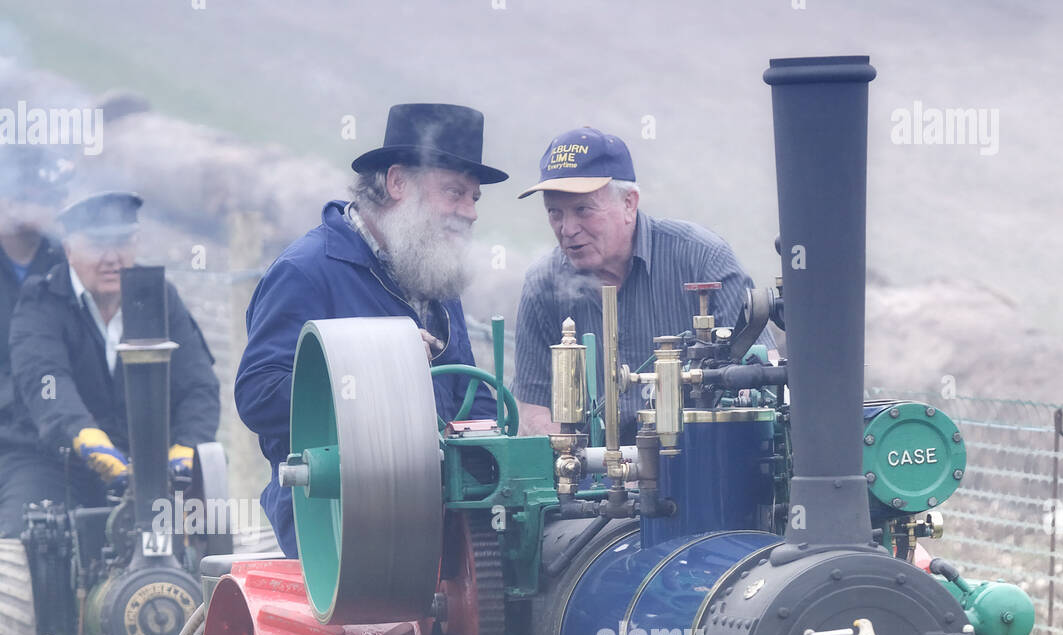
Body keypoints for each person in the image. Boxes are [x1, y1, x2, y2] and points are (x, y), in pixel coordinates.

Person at [235, 103, 508, 556]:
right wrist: (374, 363)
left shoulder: (433, 272)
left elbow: (469, 398)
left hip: (438, 512)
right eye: (455, 193)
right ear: (398, 182)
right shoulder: (306, 271)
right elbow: (259, 396)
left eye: (474, 198)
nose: (470, 212)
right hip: (335, 521)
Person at [513, 128, 760, 442]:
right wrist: (583, 468)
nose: (568, 229)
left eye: (582, 210)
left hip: (699, 465)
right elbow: (533, 410)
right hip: (589, 480)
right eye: (554, 213)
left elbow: (759, 380)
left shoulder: (703, 259)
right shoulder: (542, 284)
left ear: (629, 203)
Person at [2, 191, 219, 539]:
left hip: (151, 464)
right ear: (69, 250)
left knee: (208, 537)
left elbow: (199, 386)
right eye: (97, 245)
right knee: (25, 547)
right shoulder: (40, 301)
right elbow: (46, 380)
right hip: (49, 460)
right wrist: (87, 439)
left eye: (122, 243)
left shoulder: (161, 297)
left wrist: (186, 448)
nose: (112, 258)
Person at [0, 151, 72, 533]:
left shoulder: (72, 261)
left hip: (39, 441)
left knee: (20, 544)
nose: (23, 198)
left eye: (33, 187)